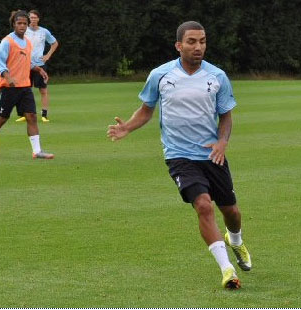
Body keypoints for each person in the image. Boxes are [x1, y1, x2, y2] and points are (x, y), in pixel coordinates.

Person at [107, 21, 252, 290]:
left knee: (231, 210)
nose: (198, 47)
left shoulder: (217, 76)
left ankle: (237, 241)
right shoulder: (160, 75)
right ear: (179, 45)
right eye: (192, 42)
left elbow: (226, 116)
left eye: (203, 41)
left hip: (211, 154)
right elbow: (147, 109)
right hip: (179, 155)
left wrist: (222, 142)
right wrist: (127, 126)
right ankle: (227, 270)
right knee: (203, 206)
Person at [0, 10, 54, 159]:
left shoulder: (27, 42)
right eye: (19, 23)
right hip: (8, 88)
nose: (22, 26)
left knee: (32, 116)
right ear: (13, 24)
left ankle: (37, 151)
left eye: (24, 23)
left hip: (25, 87)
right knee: (1, 119)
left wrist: (38, 69)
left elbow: (27, 62)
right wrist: (8, 77)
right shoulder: (7, 41)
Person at [15, 9, 58, 123]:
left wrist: (47, 55)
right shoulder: (23, 30)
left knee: (43, 90)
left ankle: (44, 114)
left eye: (35, 17)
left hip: (40, 65)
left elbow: (54, 43)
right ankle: (24, 113)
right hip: (25, 64)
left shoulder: (44, 32)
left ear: (38, 19)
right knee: (24, 90)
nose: (33, 19)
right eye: (31, 17)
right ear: (28, 19)